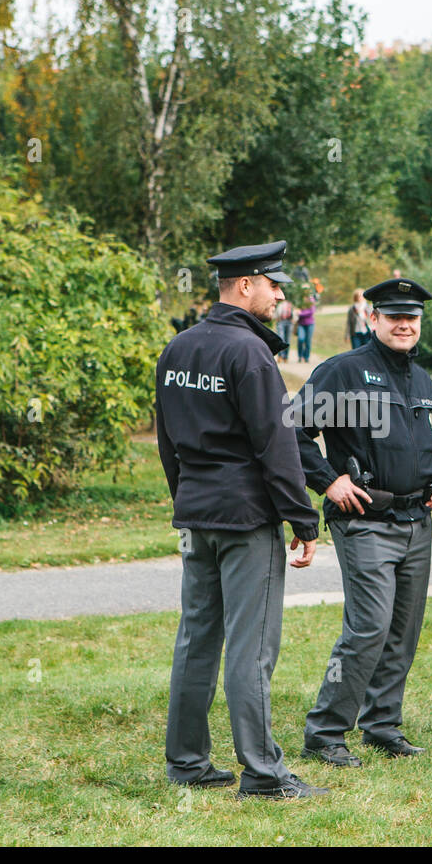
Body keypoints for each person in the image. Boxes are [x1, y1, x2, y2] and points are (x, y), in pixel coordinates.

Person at [155, 239, 328, 800]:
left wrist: (187, 500)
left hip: (197, 515)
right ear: (244, 286)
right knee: (252, 647)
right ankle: (263, 773)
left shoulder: (178, 348)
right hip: (246, 520)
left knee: (196, 638)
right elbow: (276, 447)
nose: (280, 294)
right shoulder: (250, 354)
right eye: (273, 284)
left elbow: (168, 444)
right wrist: (303, 520)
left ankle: (186, 762)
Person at [293, 278, 432, 766]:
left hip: (415, 521)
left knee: (403, 629)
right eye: (395, 316)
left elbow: (428, 443)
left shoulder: (423, 381)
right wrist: (328, 481)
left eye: (413, 318)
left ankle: (382, 725)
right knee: (368, 627)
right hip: (364, 520)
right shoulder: (343, 373)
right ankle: (325, 731)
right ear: (374, 319)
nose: (405, 325)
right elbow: (292, 433)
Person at [295, 287, 317, 363]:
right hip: (301, 324)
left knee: (308, 341)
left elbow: (312, 311)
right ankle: (300, 356)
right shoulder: (300, 301)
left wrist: (301, 313)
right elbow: (296, 309)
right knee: (300, 339)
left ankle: (306, 357)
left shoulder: (311, 300)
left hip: (310, 324)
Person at [275, 292, 295, 362]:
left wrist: (293, 320)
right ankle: (280, 356)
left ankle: (286, 357)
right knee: (281, 338)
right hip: (281, 322)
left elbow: (294, 314)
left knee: (287, 340)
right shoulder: (280, 305)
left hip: (289, 322)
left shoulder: (290, 305)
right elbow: (277, 313)